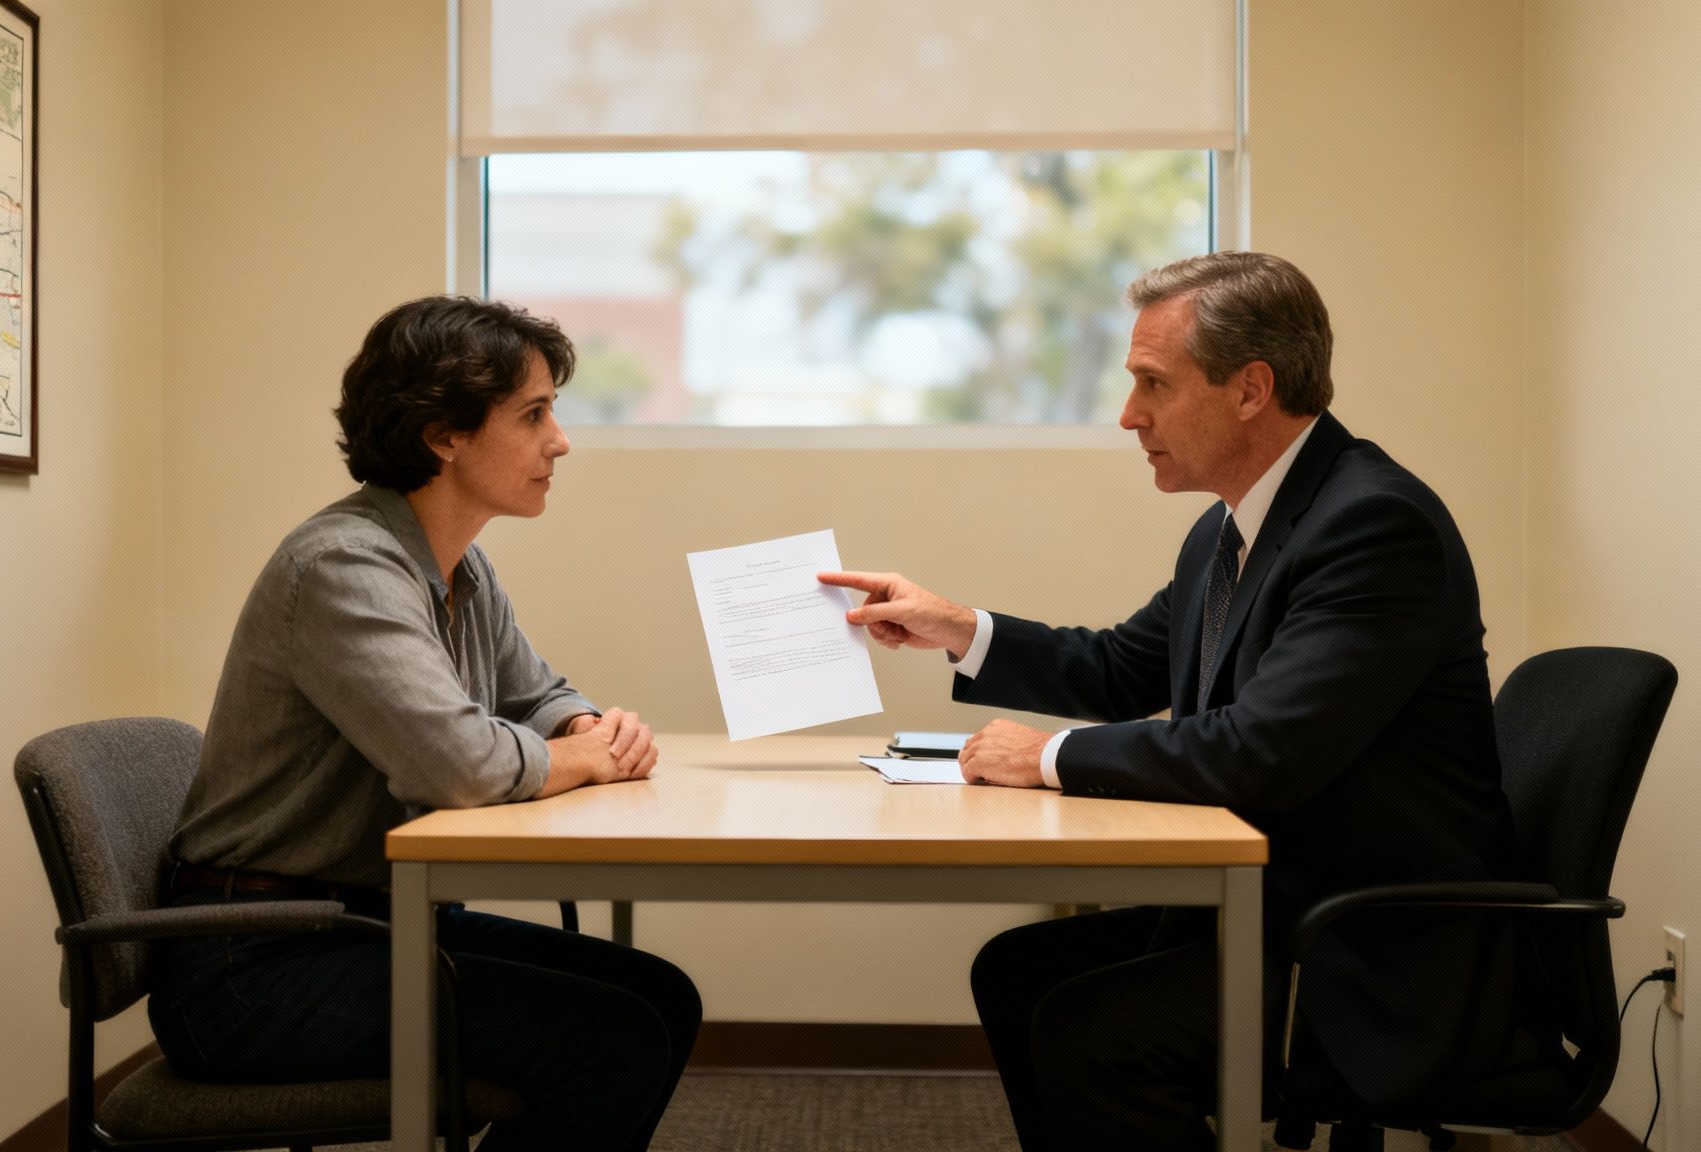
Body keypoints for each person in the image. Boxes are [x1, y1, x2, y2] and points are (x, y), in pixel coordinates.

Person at [820, 252, 1519, 1152]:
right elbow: (1118, 669)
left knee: (1089, 1035)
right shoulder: (1233, 527)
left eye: (1153, 382)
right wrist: (956, 626)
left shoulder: (1371, 526)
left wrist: (1044, 759)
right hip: (1284, 907)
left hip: (1370, 958)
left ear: (1251, 389)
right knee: (1018, 973)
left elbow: (1258, 752)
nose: (1128, 415)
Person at [151, 295, 701, 1152]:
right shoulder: (343, 566)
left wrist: (587, 724)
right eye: (534, 414)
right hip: (254, 963)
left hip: (373, 922)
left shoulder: (456, 560)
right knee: (611, 1039)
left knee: (662, 998)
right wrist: (588, 759)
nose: (560, 441)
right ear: (444, 433)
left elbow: (536, 693)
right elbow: (461, 766)